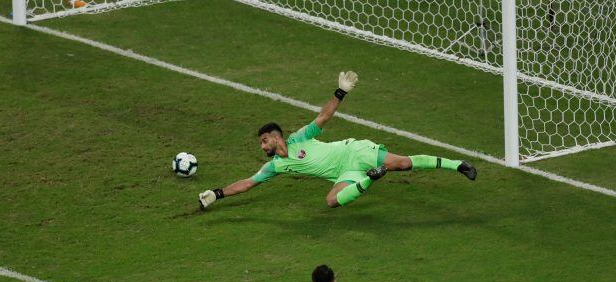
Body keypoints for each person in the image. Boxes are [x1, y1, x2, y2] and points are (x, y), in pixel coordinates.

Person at [198, 71, 477, 210]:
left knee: (403, 164)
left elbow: (323, 117)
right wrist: (218, 193)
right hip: (346, 172)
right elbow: (248, 183)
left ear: (275, 137)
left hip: (353, 151)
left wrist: (341, 92)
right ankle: (371, 178)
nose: (262, 147)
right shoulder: (275, 167)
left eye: (263, 141)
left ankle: (458, 165)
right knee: (332, 200)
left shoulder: (299, 138)